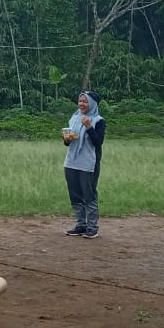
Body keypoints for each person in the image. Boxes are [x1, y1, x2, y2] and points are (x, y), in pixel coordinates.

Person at [62, 91, 106, 238]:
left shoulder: (99, 121)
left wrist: (88, 127)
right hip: (71, 162)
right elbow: (68, 143)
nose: (81, 104)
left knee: (89, 194)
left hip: (88, 163)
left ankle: (92, 227)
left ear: (92, 104)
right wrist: (67, 139)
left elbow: (98, 142)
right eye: (80, 101)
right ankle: (81, 225)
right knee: (75, 195)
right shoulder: (74, 118)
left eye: (85, 102)